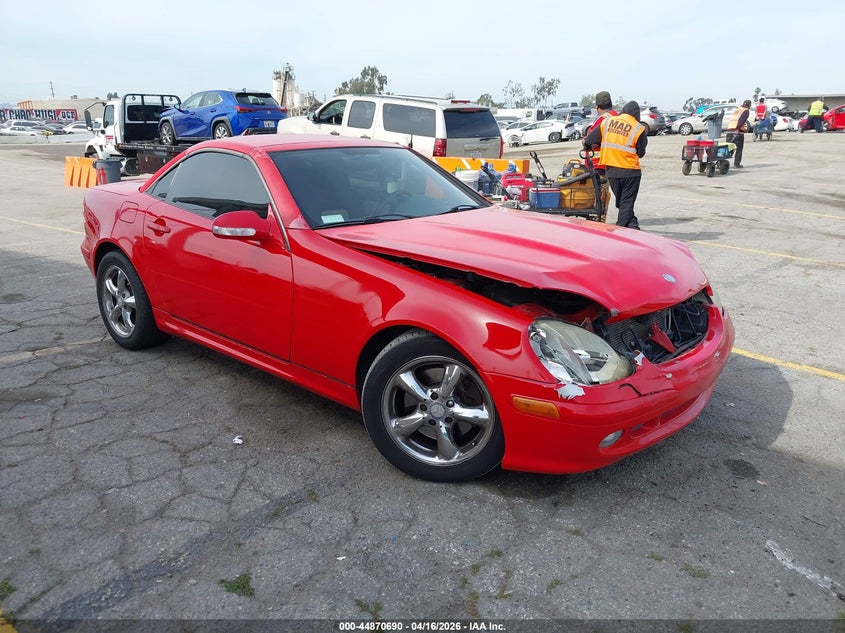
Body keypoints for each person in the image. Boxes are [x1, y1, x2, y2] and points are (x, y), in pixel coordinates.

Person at [582, 101, 647, 230]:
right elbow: (641, 153)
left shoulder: (607, 122)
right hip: (630, 172)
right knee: (626, 203)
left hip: (612, 171)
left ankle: (634, 227)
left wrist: (587, 145)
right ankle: (620, 230)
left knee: (622, 203)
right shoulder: (639, 128)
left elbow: (589, 141)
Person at [585, 91, 619, 174]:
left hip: (599, 165)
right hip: (614, 163)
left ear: (597, 106)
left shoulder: (602, 120)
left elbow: (590, 141)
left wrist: (584, 141)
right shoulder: (617, 117)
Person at [725, 100, 751, 168]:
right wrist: (737, 129)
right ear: (749, 105)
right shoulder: (746, 110)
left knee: (729, 148)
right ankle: (737, 164)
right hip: (737, 131)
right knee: (739, 148)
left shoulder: (738, 109)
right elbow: (741, 120)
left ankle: (722, 161)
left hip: (730, 130)